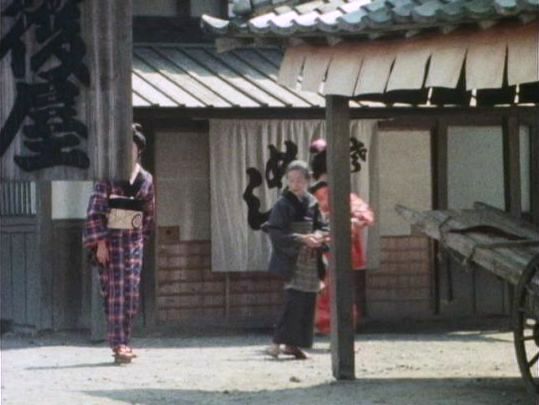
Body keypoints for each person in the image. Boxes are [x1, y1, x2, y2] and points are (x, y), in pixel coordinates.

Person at [83, 124, 155, 364]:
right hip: (111, 241)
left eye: (132, 147)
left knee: (131, 293)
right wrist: (100, 244)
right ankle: (118, 345)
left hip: (133, 242)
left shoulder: (146, 179)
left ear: (139, 150)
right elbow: (95, 211)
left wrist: (141, 239)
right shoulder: (108, 177)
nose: (127, 151)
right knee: (115, 294)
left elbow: (148, 213)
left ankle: (126, 341)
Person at [262, 160, 327, 360]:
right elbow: (276, 232)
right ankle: (276, 342)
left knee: (307, 302)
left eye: (299, 180)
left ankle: (293, 345)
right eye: (291, 180)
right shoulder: (282, 204)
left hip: (310, 257)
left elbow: (322, 226)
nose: (295, 184)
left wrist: (318, 236)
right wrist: (301, 239)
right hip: (293, 257)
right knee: (294, 301)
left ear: (308, 180)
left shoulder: (312, 202)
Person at [309, 138, 374, 335]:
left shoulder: (309, 194)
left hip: (314, 247)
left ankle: (317, 325)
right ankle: (337, 328)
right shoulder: (341, 194)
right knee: (339, 291)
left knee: (319, 289)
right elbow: (365, 216)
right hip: (339, 249)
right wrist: (349, 225)